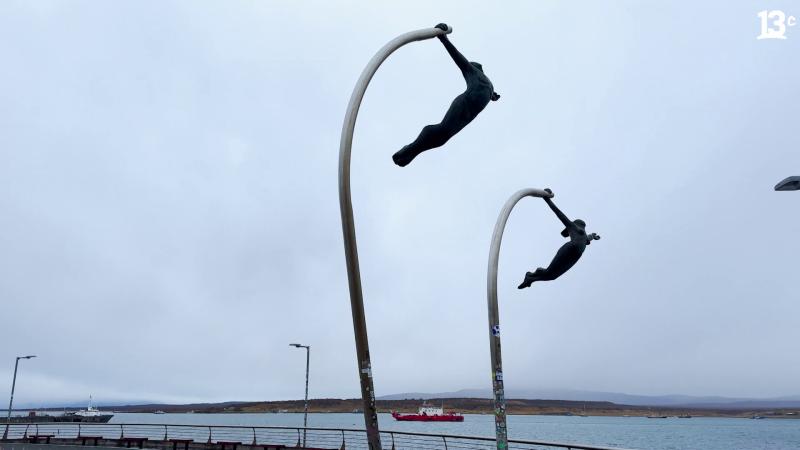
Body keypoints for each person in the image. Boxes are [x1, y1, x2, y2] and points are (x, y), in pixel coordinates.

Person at [392, 23, 500, 167]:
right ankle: (410, 149)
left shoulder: (489, 84)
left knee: (443, 139)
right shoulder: (471, 71)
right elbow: (457, 55)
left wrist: (492, 96)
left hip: (470, 115)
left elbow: (488, 93)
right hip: (464, 103)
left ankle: (413, 151)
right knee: (442, 129)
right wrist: (444, 39)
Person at [518, 189, 600, 289]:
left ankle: (530, 278)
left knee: (553, 276)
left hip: (575, 256)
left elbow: (588, 239)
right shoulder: (574, 227)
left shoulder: (585, 236)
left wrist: (593, 236)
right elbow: (558, 213)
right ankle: (530, 276)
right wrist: (547, 199)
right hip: (569, 249)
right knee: (549, 272)